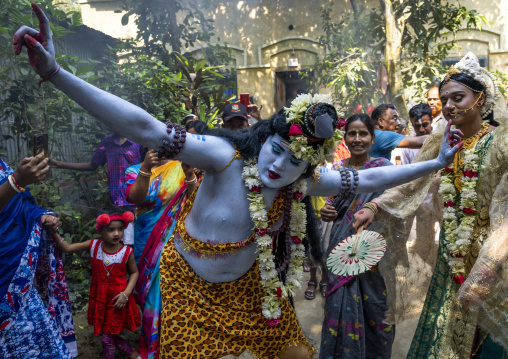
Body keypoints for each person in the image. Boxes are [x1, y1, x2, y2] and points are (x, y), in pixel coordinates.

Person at [12, 6, 462, 357]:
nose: (278, 166)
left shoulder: (299, 182)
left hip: (254, 289)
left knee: (296, 354)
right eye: (277, 149)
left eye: (293, 163)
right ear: (265, 135)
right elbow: (145, 127)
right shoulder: (223, 156)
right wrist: (55, 72)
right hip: (190, 288)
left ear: (305, 170)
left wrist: (434, 162)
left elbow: (374, 176)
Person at [353, 52, 508, 358]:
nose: (449, 106)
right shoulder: (443, 142)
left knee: (488, 340)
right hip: (451, 260)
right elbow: (410, 182)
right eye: (445, 99)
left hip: (495, 260)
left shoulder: (502, 142)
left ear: (481, 98)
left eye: (458, 98)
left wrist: (488, 267)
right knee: (444, 338)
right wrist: (375, 207)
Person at [125, 119, 205, 358]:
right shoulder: (133, 171)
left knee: (177, 293)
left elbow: (196, 203)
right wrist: (146, 169)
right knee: (150, 294)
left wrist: (189, 174)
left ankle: (180, 343)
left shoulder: (184, 166)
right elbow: (136, 198)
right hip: (146, 241)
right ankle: (153, 347)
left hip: (178, 241)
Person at [319, 113, 395, 359]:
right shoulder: (337, 170)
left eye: (363, 134)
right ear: (345, 138)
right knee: (340, 306)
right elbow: (330, 205)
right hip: (341, 250)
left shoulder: (383, 167)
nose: (357, 139)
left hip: (374, 254)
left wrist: (375, 208)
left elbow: (398, 199)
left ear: (372, 138)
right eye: (352, 133)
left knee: (376, 309)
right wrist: (326, 211)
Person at [0, 153, 77, 358]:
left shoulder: (1, 166)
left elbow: (19, 205)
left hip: (20, 284)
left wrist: (40, 215)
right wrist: (16, 181)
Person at [50, 207, 141, 359]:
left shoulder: (126, 252)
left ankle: (132, 355)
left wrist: (126, 294)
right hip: (100, 298)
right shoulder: (93, 245)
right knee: (107, 334)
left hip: (117, 299)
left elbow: (134, 272)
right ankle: (134, 354)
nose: (116, 233)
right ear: (100, 231)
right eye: (111, 229)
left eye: (120, 229)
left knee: (106, 337)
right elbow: (67, 248)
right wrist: (53, 231)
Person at [48, 132, 145, 246]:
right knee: (125, 244)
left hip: (140, 199)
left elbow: (150, 165)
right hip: (119, 203)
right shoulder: (107, 141)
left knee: (143, 240)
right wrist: (59, 164)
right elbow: (92, 165)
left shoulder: (138, 140)